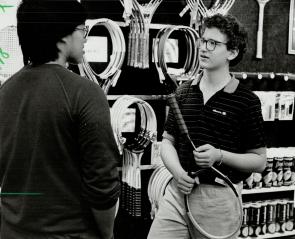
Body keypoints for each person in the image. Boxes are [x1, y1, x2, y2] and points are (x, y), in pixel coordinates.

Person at [0, 1, 120, 238]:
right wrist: (107, 234)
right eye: (82, 30)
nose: (85, 38)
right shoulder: (85, 93)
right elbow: (102, 186)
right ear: (63, 35)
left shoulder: (5, 92)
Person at [148, 13, 267, 239]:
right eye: (203, 41)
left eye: (213, 43)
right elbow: (167, 142)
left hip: (219, 200)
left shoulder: (246, 101)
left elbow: (259, 161)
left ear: (232, 52)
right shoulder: (183, 93)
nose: (204, 48)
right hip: (177, 192)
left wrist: (219, 155)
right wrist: (177, 172)